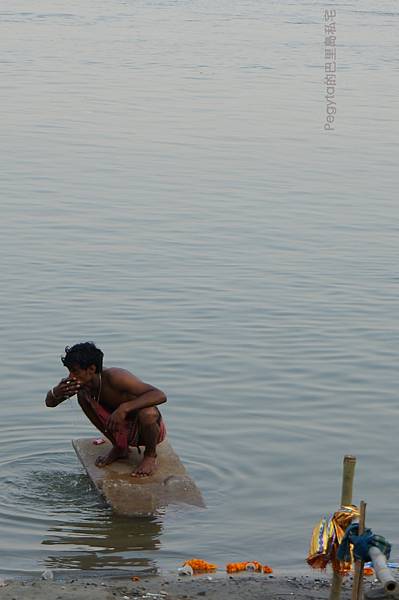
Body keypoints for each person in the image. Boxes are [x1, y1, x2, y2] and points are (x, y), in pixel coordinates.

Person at [45, 342, 167, 477]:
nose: (70, 376)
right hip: (118, 430)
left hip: (145, 430)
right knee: (82, 397)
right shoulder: (80, 384)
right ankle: (120, 448)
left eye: (74, 371)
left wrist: (124, 408)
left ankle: (150, 455)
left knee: (148, 413)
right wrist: (55, 392)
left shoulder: (116, 377)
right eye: (69, 371)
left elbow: (159, 395)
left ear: (91, 369)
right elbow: (50, 403)